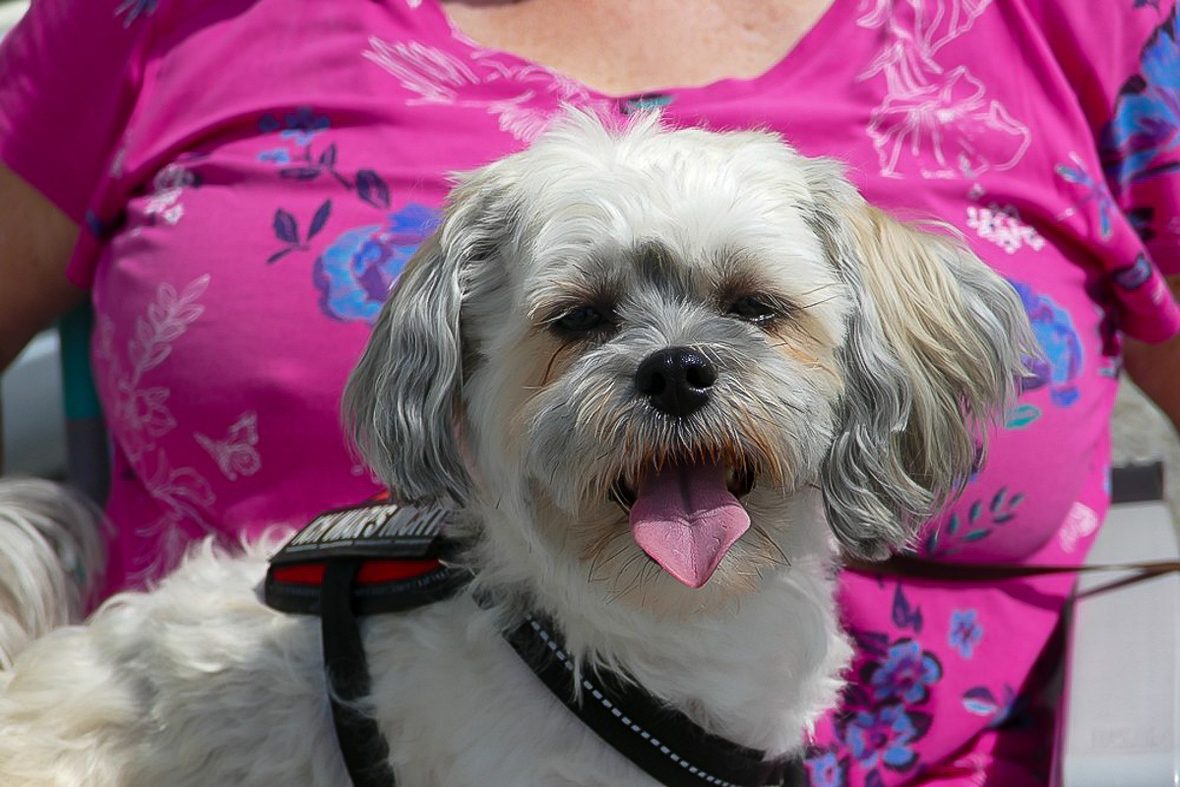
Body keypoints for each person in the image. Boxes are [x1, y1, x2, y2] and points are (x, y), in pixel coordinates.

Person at [1, 0, 1177, 783]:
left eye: (753, 311)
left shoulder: (1088, 25)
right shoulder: (155, 20)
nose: (674, 363)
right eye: (577, 324)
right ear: (461, 372)